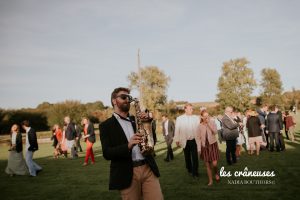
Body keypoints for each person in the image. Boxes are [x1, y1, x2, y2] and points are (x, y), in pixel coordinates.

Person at [100, 87, 163, 200]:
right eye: (123, 97)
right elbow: (107, 153)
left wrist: (148, 123)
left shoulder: (136, 119)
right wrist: (128, 146)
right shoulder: (106, 125)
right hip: (127, 173)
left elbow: (152, 140)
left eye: (128, 97)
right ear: (114, 101)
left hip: (148, 167)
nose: (127, 100)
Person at [174, 103, 200, 178]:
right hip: (184, 140)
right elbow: (177, 130)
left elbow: (198, 128)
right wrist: (177, 140)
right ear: (185, 109)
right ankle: (189, 168)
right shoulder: (180, 118)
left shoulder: (196, 118)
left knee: (195, 157)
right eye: (190, 109)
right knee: (187, 156)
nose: (192, 110)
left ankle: (195, 172)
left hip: (194, 140)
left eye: (192, 109)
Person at [195, 110, 220, 186]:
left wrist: (208, 124)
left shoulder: (212, 123)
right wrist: (199, 149)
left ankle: (216, 173)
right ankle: (210, 180)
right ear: (201, 117)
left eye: (207, 115)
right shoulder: (199, 126)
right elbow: (198, 138)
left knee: (214, 163)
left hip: (213, 145)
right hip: (204, 147)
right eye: (205, 116)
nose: (206, 117)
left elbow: (215, 132)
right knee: (208, 165)